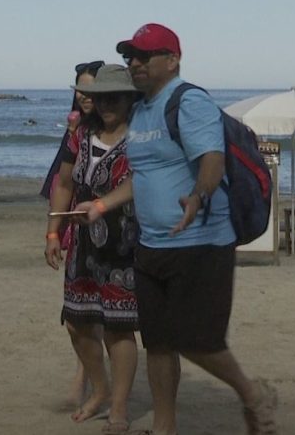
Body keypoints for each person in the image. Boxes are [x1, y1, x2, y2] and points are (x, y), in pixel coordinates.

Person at [85, 23, 277, 435]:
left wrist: (198, 196)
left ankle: (252, 394)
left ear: (171, 60)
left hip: (201, 242)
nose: (134, 63)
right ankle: (164, 428)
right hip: (152, 244)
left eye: (143, 55)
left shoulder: (189, 102)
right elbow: (145, 176)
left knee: (198, 341)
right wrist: (102, 203)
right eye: (130, 56)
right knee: (157, 343)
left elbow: (212, 160)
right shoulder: (141, 111)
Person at [45, 64, 141, 434]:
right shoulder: (80, 135)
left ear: (130, 99)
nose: (105, 105)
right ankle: (99, 389)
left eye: (113, 97)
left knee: (119, 328)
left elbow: (142, 185)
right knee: (76, 322)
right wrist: (53, 232)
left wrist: (102, 206)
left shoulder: (142, 139)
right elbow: (64, 182)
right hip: (82, 245)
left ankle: (118, 408)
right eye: (101, 97)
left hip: (123, 246)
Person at [39, 60, 104, 409]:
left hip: (113, 233)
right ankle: (87, 378)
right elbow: (62, 182)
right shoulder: (75, 129)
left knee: (108, 316)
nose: (84, 94)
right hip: (79, 230)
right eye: (80, 87)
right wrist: (53, 232)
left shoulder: (121, 127)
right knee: (78, 315)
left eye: (91, 87)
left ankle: (95, 385)